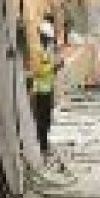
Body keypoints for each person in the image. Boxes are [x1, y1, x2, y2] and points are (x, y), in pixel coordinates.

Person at [29, 19, 63, 158]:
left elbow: (50, 68)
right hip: (39, 91)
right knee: (42, 119)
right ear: (42, 36)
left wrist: (57, 66)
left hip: (48, 89)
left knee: (48, 119)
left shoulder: (47, 50)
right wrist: (53, 68)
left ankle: (44, 143)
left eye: (50, 38)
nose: (49, 41)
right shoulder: (36, 51)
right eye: (47, 38)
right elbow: (37, 71)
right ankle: (42, 146)